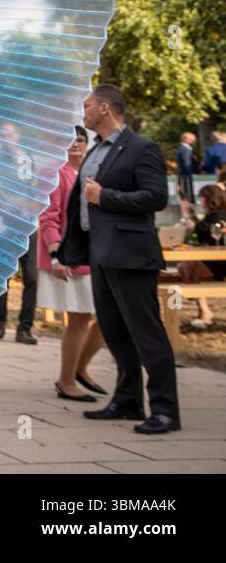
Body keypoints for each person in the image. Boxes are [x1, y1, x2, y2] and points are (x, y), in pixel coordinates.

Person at [58, 85, 178, 434]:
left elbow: (155, 197)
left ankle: (165, 410)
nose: (83, 111)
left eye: (88, 105)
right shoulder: (95, 151)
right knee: (114, 329)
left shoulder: (141, 149)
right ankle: (127, 401)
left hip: (130, 254)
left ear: (106, 108)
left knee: (146, 331)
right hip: (99, 251)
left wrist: (105, 196)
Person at [38, 125, 107, 402]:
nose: (76, 144)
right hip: (70, 256)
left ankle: (79, 368)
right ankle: (66, 380)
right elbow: (48, 219)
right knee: (79, 318)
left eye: (80, 139)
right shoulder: (54, 174)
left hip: (98, 254)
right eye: (70, 140)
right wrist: (56, 255)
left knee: (109, 317)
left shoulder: (95, 172)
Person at [0, 122, 39, 344]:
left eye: (10, 134)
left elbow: (32, 188)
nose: (6, 138)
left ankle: (24, 328)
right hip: (2, 222)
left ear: (17, 137)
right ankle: (0, 318)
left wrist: (26, 206)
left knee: (32, 276)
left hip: (25, 222)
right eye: (2, 135)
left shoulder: (25, 160)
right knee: (2, 273)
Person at [178, 183, 226, 329]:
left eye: (201, 198)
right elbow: (202, 230)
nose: (200, 201)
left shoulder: (218, 216)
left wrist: (187, 215)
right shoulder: (215, 215)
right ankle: (202, 309)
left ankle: (202, 310)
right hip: (216, 260)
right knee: (185, 265)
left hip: (221, 261)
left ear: (207, 199)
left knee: (187, 265)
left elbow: (199, 231)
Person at [176, 131, 198, 219]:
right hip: (186, 177)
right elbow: (187, 164)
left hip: (185, 176)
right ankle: (189, 216)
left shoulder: (183, 149)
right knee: (187, 195)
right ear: (187, 139)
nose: (194, 140)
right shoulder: (185, 149)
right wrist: (191, 174)